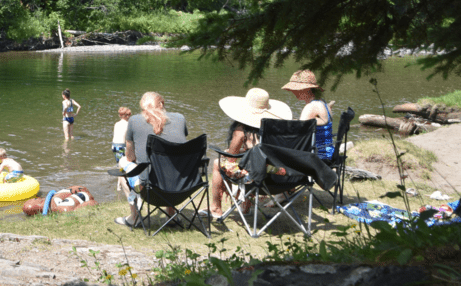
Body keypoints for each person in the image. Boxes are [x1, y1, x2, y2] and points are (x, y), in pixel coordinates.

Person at [205, 88, 292, 220]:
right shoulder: (276, 129)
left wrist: (228, 153)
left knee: (219, 163)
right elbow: (263, 152)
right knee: (252, 162)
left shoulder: (242, 130)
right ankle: (245, 206)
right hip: (279, 177)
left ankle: (216, 207)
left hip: (255, 177)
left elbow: (230, 159)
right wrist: (243, 152)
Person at [116, 91, 188, 226]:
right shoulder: (180, 118)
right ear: (161, 104)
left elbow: (130, 157)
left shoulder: (134, 120)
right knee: (170, 161)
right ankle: (171, 214)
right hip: (181, 185)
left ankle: (134, 217)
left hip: (150, 189)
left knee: (123, 162)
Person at [283, 69, 335, 161]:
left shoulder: (310, 107)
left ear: (306, 89)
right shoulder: (322, 103)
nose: (293, 91)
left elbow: (299, 134)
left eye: (296, 89)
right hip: (328, 152)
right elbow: (311, 123)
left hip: (317, 156)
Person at [112, 107, 132, 193]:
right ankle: (119, 187)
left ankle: (120, 184)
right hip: (121, 147)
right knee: (122, 167)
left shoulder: (116, 124)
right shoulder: (128, 124)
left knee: (120, 165)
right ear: (127, 116)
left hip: (114, 146)